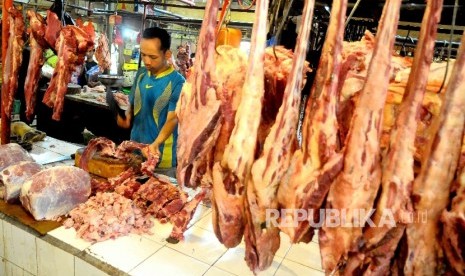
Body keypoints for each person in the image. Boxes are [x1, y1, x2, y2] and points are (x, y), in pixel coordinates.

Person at [117, 27, 185, 178]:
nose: (146, 61)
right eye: (143, 55)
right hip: (135, 154)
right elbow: (133, 104)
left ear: (167, 54)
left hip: (160, 159)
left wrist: (155, 145)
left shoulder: (177, 82)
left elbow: (172, 119)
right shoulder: (141, 74)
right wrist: (127, 117)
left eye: (153, 57)